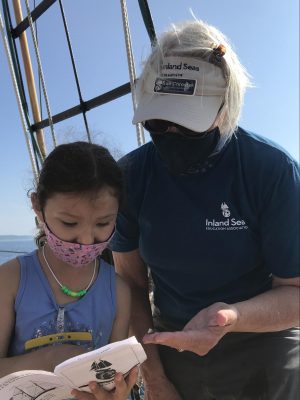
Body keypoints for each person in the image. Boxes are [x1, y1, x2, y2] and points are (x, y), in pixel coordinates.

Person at [110, 19, 300, 400]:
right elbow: (130, 286)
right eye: (159, 123)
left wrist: (228, 318)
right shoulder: (131, 176)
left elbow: (294, 295)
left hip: (262, 335)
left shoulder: (271, 171)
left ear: (225, 109)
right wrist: (156, 379)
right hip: (170, 337)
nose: (173, 136)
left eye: (189, 124)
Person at [0, 141, 138, 400]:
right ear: (38, 207)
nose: (86, 240)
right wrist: (51, 358)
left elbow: (116, 379)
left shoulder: (118, 291)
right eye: (69, 222)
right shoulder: (9, 280)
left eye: (103, 223)